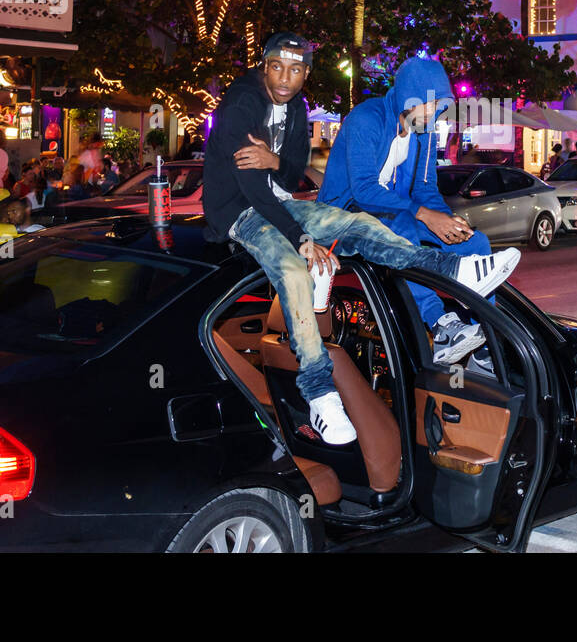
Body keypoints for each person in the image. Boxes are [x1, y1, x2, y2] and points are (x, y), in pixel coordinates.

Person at [205, 33, 519, 445]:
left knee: (430, 237)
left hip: (296, 204)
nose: (286, 77)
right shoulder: (253, 105)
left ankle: (467, 306)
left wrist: (445, 220)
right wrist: (300, 237)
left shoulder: (302, 107)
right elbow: (261, 189)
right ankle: (320, 389)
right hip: (252, 211)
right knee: (301, 268)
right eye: (278, 67)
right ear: (263, 65)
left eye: (297, 69)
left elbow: (290, 172)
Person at [317, 56, 495, 367]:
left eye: (441, 106)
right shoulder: (366, 119)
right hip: (342, 218)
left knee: (475, 243)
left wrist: (446, 221)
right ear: (410, 97)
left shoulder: (423, 132)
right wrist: (424, 215)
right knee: (405, 226)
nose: (437, 114)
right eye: (432, 105)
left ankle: (488, 337)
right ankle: (441, 327)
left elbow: (426, 192)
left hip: (395, 214)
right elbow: (363, 189)